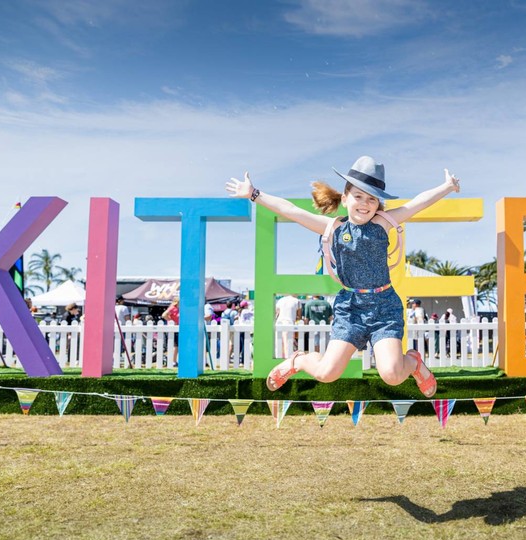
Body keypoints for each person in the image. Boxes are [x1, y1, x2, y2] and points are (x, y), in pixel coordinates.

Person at [226, 155, 460, 397]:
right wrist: (254, 194)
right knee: (327, 373)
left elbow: (418, 203)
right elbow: (292, 210)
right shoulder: (334, 228)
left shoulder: (383, 223)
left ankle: (413, 362)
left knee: (391, 374)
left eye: (371, 199)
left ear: (378, 204)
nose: (365, 203)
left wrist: (447, 186)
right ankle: (299, 361)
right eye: (358, 196)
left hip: (384, 306)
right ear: (345, 198)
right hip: (350, 308)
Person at [162, 296, 180, 366]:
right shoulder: (173, 308)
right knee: (176, 346)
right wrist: (171, 320)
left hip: (178, 328)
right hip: (174, 329)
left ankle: (174, 360)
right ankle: (173, 361)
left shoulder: (179, 309)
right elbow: (164, 315)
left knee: (177, 346)